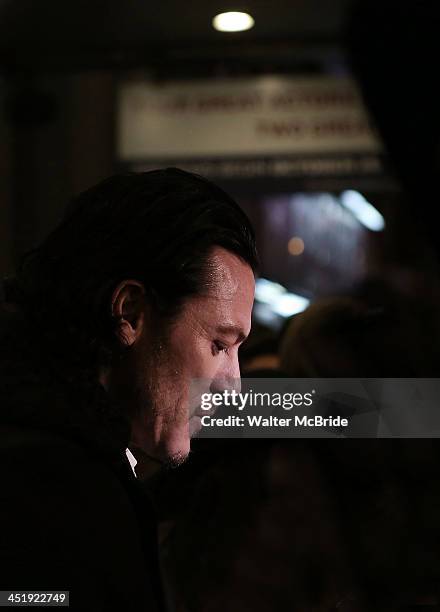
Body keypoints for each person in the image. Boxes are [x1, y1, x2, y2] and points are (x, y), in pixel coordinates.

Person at [0, 168, 257, 611]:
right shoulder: (50, 485)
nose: (232, 386)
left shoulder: (64, 455)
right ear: (131, 312)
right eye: (219, 344)